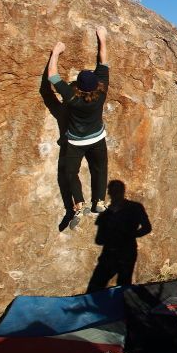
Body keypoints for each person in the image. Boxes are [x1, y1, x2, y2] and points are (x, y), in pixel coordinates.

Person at [48, 26, 110, 229]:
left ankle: (79, 204)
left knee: (70, 173)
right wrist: (102, 39)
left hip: (75, 142)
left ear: (79, 86)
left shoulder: (72, 96)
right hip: (97, 139)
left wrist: (56, 52)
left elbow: (52, 77)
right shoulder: (101, 92)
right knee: (100, 169)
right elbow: (103, 61)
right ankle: (99, 201)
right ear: (95, 84)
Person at [86, 180, 151, 292]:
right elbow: (99, 240)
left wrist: (129, 234)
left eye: (117, 191)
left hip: (126, 253)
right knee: (95, 286)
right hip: (110, 254)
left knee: (122, 288)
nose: (114, 193)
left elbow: (147, 227)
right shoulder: (106, 214)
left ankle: (120, 308)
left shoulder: (135, 207)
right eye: (113, 191)